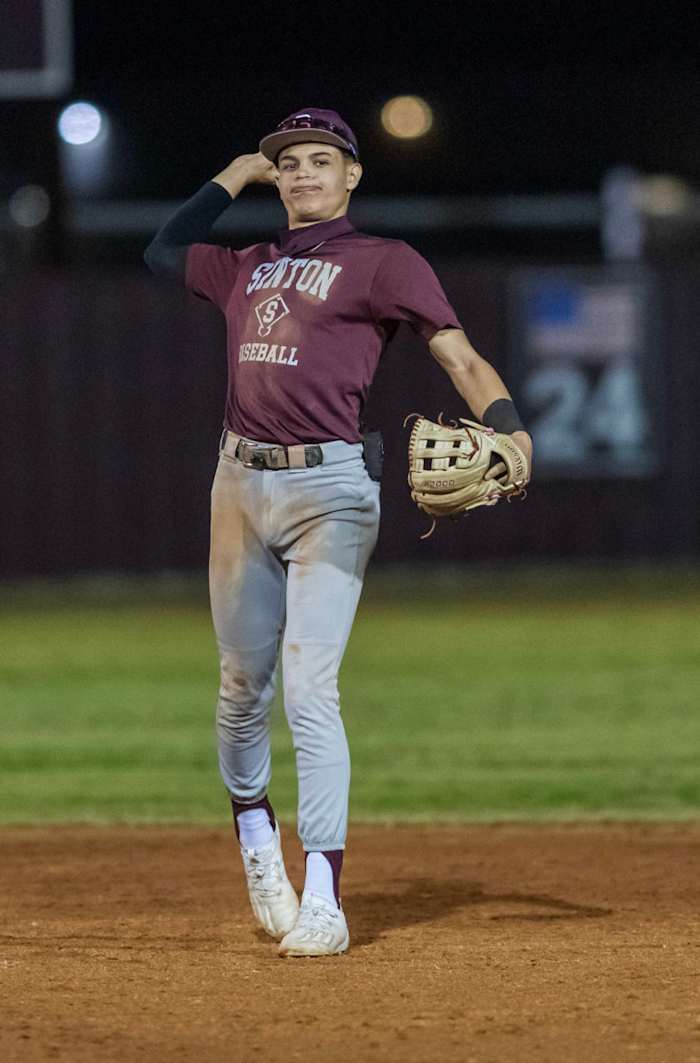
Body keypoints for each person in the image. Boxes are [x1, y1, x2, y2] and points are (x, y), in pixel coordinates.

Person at [144, 108, 532, 957]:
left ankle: (324, 893)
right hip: (238, 486)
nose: (303, 174)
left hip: (333, 489)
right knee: (241, 687)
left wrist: (513, 428)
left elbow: (459, 356)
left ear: (352, 175)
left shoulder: (383, 262)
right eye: (289, 164)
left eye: (322, 161)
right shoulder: (245, 264)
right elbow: (161, 248)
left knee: (309, 686)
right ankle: (256, 836)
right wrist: (231, 176)